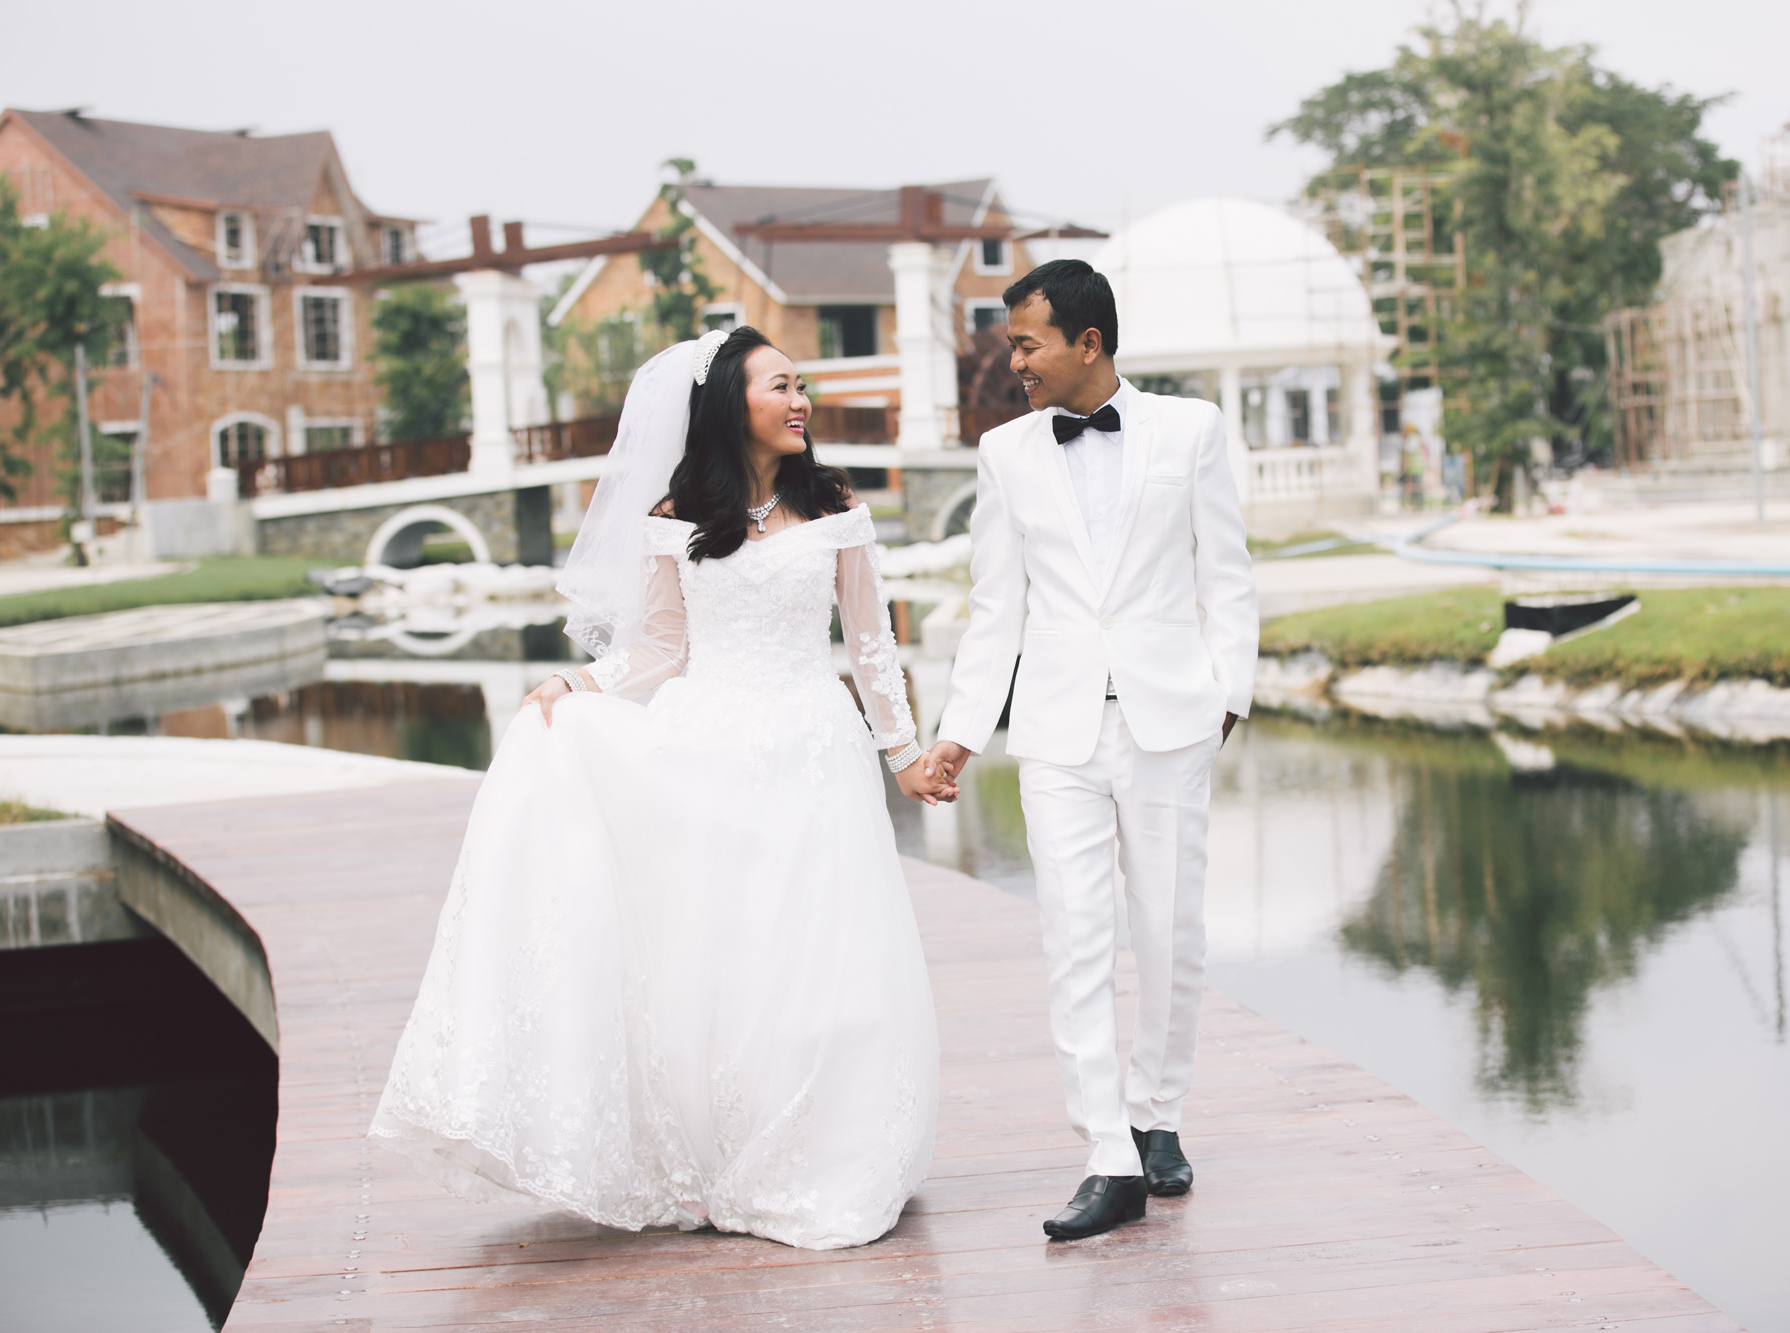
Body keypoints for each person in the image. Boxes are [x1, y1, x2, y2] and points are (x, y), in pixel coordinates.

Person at [370, 327, 949, 1251]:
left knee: (821, 959)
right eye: (779, 386)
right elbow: (661, 649)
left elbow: (870, 640)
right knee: (719, 963)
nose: (800, 401)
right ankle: (712, 1163)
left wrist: (904, 752)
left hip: (811, 749)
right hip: (706, 750)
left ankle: (824, 1152)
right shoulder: (677, 513)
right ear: (729, 403)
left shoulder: (834, 501)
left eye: (801, 385)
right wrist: (578, 683)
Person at [922, 260, 1259, 1240]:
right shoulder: (1004, 453)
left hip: (1169, 722)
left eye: (1026, 345)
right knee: (1072, 937)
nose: (1014, 363)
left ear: (1088, 343)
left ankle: (1157, 1116)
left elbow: (1227, 575)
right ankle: (1106, 1151)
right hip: (1057, 731)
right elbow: (996, 606)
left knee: (1168, 931)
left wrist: (1226, 696)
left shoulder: (1190, 430)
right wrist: (960, 730)